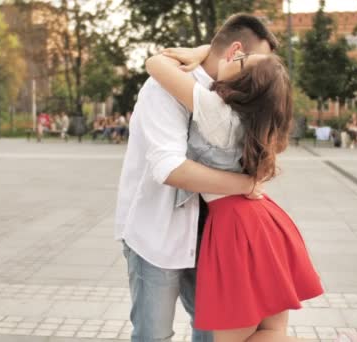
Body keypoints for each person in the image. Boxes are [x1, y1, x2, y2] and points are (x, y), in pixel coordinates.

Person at [145, 41, 323, 342]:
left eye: (240, 59)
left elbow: (155, 64)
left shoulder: (217, 113)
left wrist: (201, 53)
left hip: (237, 227)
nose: (233, 54)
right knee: (272, 331)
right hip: (264, 222)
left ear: (243, 84)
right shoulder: (261, 124)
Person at [114, 14, 277, 342]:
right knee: (153, 335)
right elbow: (168, 167)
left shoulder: (231, 101)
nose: (257, 73)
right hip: (155, 232)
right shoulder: (168, 88)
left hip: (212, 236)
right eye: (254, 62)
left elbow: (160, 64)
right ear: (234, 52)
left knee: (209, 334)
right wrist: (245, 185)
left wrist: (200, 52)